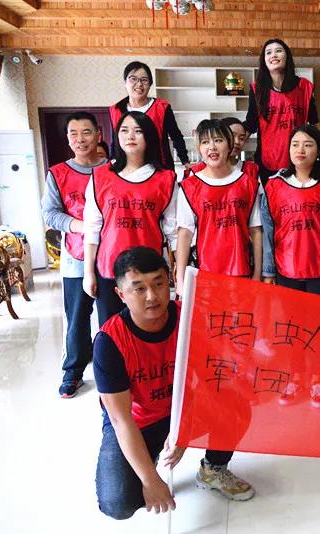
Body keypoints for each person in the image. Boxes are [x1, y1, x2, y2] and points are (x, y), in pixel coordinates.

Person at [94, 247, 254, 521]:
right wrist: (150, 479)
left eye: (158, 283)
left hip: (183, 408)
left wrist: (185, 430)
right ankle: (147, 456)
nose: (152, 296)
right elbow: (121, 420)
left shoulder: (191, 317)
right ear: (121, 294)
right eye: (139, 288)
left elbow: (211, 381)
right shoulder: (109, 342)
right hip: (139, 420)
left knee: (236, 404)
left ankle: (213, 469)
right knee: (118, 502)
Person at [260, 124, 320, 406]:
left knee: (318, 330)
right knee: (290, 330)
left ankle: (317, 379)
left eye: (308, 144)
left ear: (319, 151)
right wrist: (268, 272)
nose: (300, 150)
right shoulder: (274, 186)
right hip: (286, 270)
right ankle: (294, 378)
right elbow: (267, 231)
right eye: (295, 144)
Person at [82, 111, 177, 326]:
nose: (130, 136)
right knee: (111, 329)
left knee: (149, 328)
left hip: (149, 271)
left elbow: (173, 231)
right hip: (109, 268)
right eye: (124, 130)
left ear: (149, 136)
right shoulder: (100, 176)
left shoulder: (166, 179)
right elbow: (92, 228)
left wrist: (177, 272)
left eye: (138, 131)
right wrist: (88, 273)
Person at [41, 111, 107, 398]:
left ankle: (112, 367)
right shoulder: (58, 173)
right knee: (77, 316)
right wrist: (81, 226)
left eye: (86, 132)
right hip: (75, 256)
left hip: (110, 255)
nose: (80, 139)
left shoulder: (113, 170)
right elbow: (50, 213)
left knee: (111, 316)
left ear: (99, 135)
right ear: (67, 139)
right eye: (74, 134)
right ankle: (74, 371)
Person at [175, 119, 263, 291]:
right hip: (205, 272)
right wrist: (180, 279)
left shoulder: (249, 184)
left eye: (218, 140)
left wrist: (258, 274)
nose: (212, 147)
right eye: (205, 142)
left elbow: (256, 231)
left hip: (242, 270)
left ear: (229, 144)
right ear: (199, 148)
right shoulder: (189, 187)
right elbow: (184, 234)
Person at [243, 39, 319, 185]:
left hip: (300, 156)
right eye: (268, 52)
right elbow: (251, 123)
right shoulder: (257, 89)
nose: (273, 55)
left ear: (287, 57)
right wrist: (232, 145)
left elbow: (314, 123)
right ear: (264, 60)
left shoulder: (304, 87)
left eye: (278, 51)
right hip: (268, 159)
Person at [109, 61, 190, 170]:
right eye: (133, 79)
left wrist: (185, 161)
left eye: (144, 80)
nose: (139, 84)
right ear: (125, 82)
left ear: (150, 84)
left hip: (159, 167)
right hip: (126, 169)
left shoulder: (162, 107)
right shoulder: (115, 110)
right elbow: (115, 142)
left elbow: (176, 136)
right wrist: (112, 164)